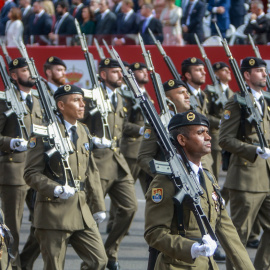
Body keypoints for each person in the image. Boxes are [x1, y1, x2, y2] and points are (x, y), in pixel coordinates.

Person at [144, 110, 255, 270]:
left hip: (208, 265)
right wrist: (191, 248)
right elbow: (154, 232)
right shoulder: (166, 180)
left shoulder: (208, 178)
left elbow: (225, 228)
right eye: (200, 132)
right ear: (182, 139)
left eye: (207, 132)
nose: (208, 137)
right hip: (178, 265)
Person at [24, 84, 108, 270]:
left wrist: (98, 206)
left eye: (82, 100)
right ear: (61, 105)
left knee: (99, 261)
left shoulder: (83, 131)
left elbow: (91, 171)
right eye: (76, 100)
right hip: (53, 213)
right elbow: (30, 173)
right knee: (54, 266)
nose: (82, 104)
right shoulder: (43, 133)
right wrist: (54, 188)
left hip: (82, 210)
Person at [82, 58, 137, 270]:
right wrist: (91, 138)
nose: (120, 75)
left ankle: (110, 251)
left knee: (130, 207)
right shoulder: (90, 97)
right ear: (103, 75)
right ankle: (92, 261)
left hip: (118, 161)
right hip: (97, 162)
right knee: (93, 214)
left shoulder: (120, 98)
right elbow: (73, 123)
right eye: (115, 72)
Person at [219, 57, 270, 270]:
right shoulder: (237, 101)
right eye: (258, 71)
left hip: (266, 177)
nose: (264, 74)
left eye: (264, 70)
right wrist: (253, 149)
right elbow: (224, 139)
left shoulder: (265, 100)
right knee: (239, 234)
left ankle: (263, 266)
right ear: (247, 75)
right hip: (245, 178)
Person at [0, 57, 44, 270]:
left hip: (36, 171)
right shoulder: (4, 102)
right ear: (15, 75)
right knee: (13, 227)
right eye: (26, 70)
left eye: (32, 69)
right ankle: (12, 265)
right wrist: (11, 142)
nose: (31, 73)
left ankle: (23, 262)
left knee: (43, 223)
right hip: (13, 172)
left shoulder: (38, 101)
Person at [205, 62, 234, 182]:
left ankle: (223, 197)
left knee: (232, 174)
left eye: (228, 70)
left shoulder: (232, 93)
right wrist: (220, 122)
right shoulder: (211, 91)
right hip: (216, 134)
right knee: (214, 172)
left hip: (231, 136)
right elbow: (204, 114)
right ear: (216, 74)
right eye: (223, 70)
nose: (228, 72)